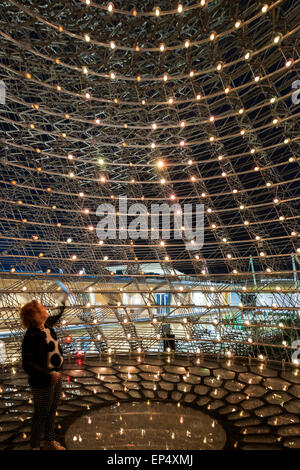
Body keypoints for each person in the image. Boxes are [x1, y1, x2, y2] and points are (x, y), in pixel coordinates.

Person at [20, 299, 67, 450]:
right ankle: (34, 446)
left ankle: (49, 441)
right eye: (42, 308)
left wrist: (63, 300)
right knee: (41, 414)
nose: (46, 309)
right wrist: (48, 374)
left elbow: (57, 316)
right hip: (43, 381)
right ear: (36, 315)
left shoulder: (47, 326)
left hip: (56, 376)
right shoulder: (31, 336)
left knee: (51, 411)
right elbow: (28, 364)